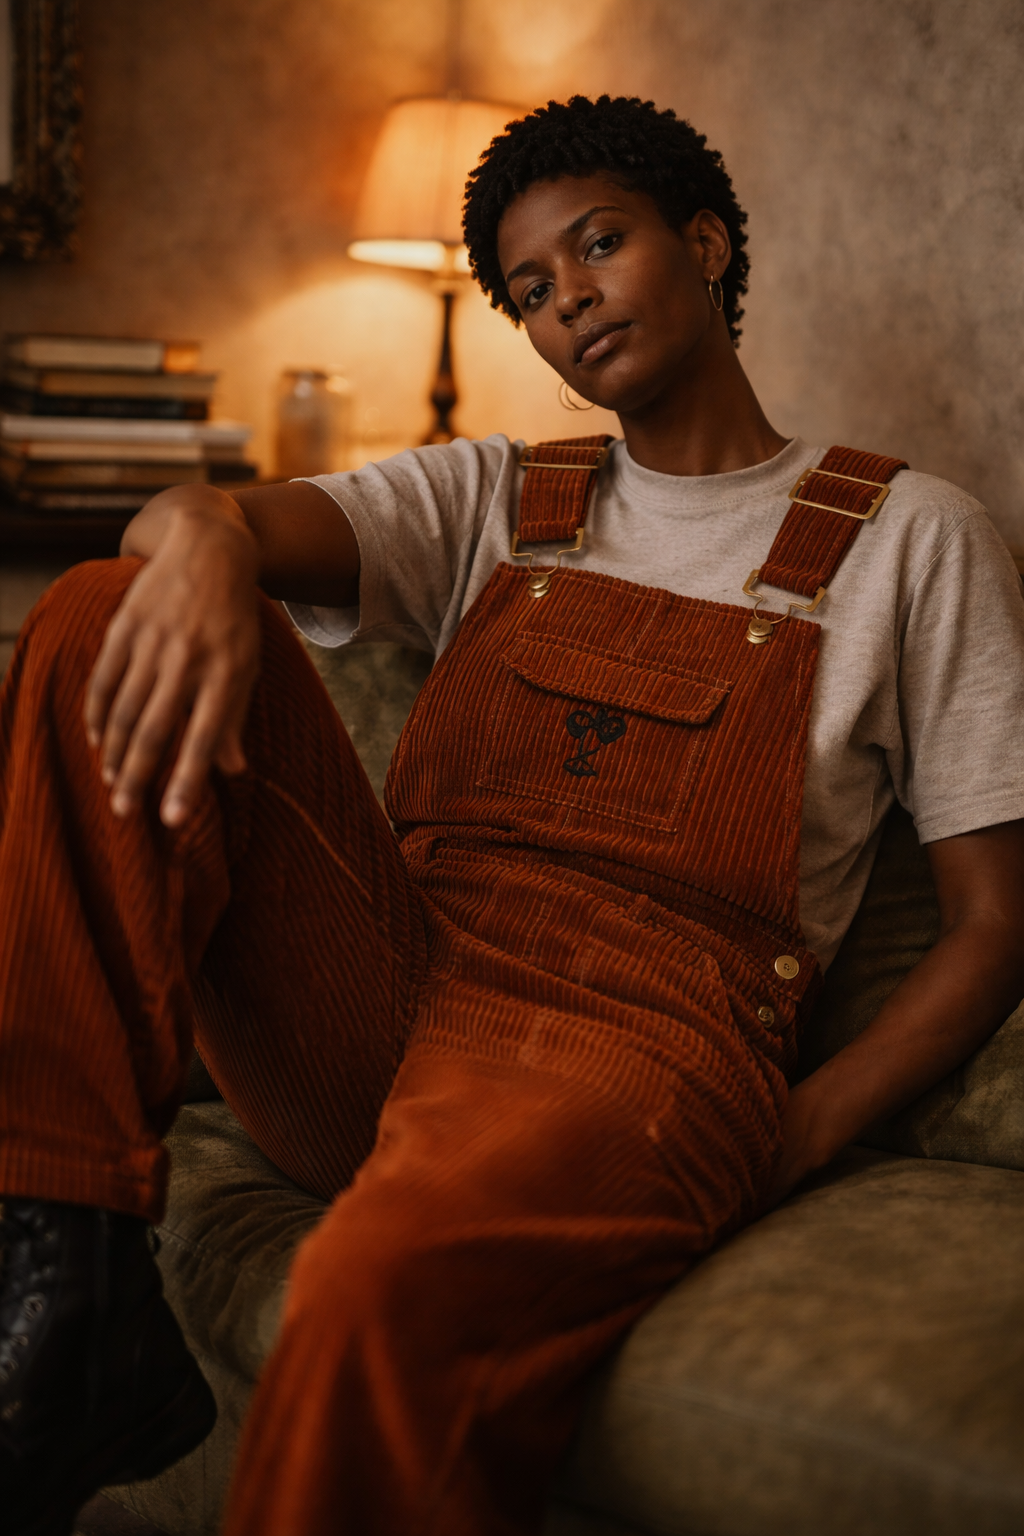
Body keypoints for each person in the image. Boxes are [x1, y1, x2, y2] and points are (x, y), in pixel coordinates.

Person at [2, 94, 1024, 1536]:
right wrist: (205, 546)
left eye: (600, 246)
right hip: (389, 989)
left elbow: (996, 925)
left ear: (709, 242)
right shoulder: (500, 494)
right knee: (105, 604)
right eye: (533, 292)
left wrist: (803, 1131)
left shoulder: (914, 535)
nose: (571, 303)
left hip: (635, 1049)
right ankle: (64, 1249)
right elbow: (187, 514)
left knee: (361, 1300)